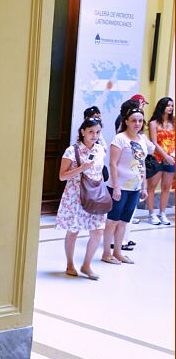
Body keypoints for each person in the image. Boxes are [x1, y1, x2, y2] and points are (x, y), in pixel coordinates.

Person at [55, 118, 107, 280]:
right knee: (73, 231)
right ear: (83, 131)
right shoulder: (72, 150)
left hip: (95, 195)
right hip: (75, 195)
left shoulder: (100, 150)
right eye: (91, 131)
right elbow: (62, 176)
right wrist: (81, 168)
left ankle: (86, 265)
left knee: (98, 230)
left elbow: (99, 172)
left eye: (97, 132)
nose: (94, 135)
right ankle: (70, 264)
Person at [102, 105, 154, 265]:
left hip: (135, 188)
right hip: (119, 187)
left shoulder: (142, 140)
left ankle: (118, 252)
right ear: (126, 122)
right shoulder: (120, 139)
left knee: (124, 221)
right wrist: (116, 187)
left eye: (140, 121)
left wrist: (144, 187)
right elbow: (113, 164)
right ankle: (106, 253)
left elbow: (141, 164)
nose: (137, 124)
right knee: (112, 221)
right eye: (134, 121)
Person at [145, 97, 174, 225]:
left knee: (166, 187)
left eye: (172, 106)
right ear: (162, 106)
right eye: (168, 105)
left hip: (171, 158)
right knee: (152, 186)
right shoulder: (154, 123)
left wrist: (171, 156)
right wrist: (165, 156)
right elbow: (154, 142)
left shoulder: (173, 122)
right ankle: (151, 214)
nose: (171, 108)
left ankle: (162, 213)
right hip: (157, 158)